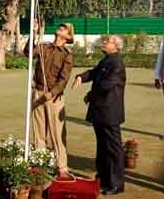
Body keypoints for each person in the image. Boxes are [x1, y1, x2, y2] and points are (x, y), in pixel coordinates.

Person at [73, 35, 127, 196]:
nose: (104, 42)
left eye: (108, 41)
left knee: (113, 148)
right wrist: (81, 77)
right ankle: (103, 178)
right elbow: (94, 73)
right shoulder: (106, 60)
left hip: (109, 112)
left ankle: (116, 184)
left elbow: (106, 85)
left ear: (116, 46)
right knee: (103, 147)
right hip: (101, 111)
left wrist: (90, 94)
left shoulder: (117, 63)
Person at [23, 22, 75, 178]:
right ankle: (40, 164)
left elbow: (64, 79)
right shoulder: (44, 46)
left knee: (57, 133)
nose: (61, 28)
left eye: (64, 28)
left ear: (68, 36)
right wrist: (33, 32)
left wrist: (52, 93)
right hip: (38, 92)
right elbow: (28, 53)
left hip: (54, 98)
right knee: (39, 131)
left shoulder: (66, 54)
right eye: (61, 26)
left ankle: (62, 167)